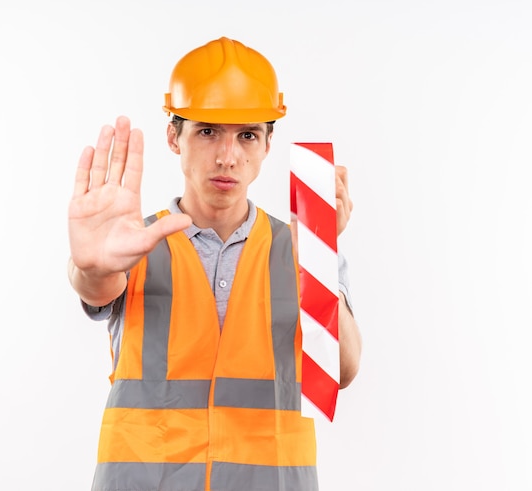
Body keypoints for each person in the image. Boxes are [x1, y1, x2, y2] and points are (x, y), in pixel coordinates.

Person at [68, 37, 361, 491]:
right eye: (207, 131)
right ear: (174, 137)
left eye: (247, 134)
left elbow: (343, 371)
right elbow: (96, 285)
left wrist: (318, 262)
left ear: (267, 145)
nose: (228, 156)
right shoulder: (131, 243)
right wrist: (89, 267)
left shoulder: (304, 248)